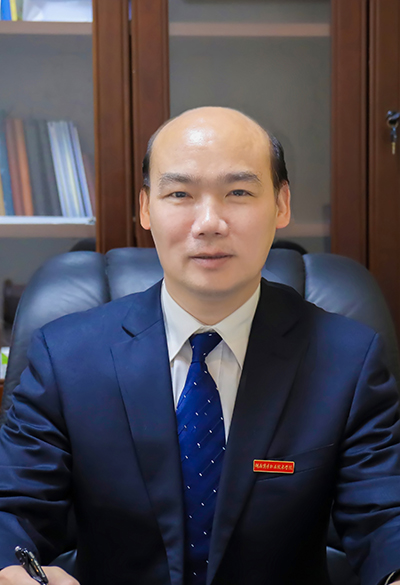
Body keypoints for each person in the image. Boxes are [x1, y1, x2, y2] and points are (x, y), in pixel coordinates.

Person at [0, 106, 400, 585]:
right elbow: (12, 507)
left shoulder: (348, 360)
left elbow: (385, 515)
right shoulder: (66, 357)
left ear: (281, 205)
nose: (209, 222)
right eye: (180, 194)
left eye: (238, 192)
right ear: (146, 208)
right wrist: (12, 572)